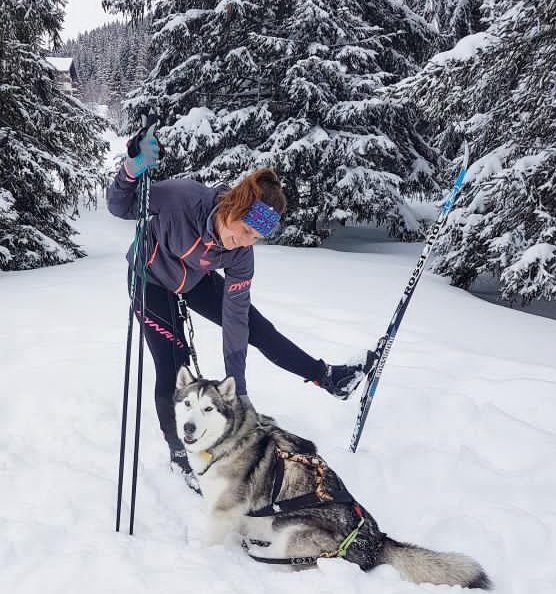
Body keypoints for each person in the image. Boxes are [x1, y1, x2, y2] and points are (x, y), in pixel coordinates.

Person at [107, 125, 370, 488]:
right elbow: (120, 206)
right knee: (173, 365)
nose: (243, 242)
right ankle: (181, 455)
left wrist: (239, 389)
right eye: (244, 230)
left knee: (257, 327)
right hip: (150, 279)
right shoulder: (184, 198)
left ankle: (326, 376)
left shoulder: (241, 255)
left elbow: (235, 322)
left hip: (193, 279)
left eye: (255, 238)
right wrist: (132, 170)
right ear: (233, 205)